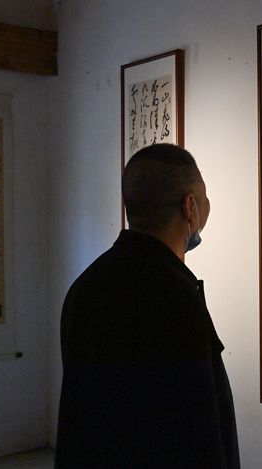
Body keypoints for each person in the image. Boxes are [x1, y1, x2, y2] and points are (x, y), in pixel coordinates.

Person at [55, 143, 240, 468]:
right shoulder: (177, 297)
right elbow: (198, 427)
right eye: (204, 197)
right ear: (190, 207)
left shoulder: (85, 287)